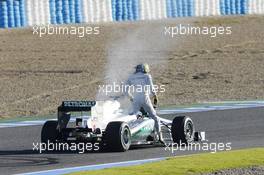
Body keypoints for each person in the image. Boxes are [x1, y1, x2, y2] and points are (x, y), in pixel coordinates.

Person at [125, 63, 164, 143]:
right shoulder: (147, 76)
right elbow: (151, 87)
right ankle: (160, 137)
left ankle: (130, 136)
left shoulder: (131, 77)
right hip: (145, 98)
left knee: (133, 118)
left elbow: (125, 90)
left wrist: (131, 98)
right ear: (144, 69)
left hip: (136, 99)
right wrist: (155, 96)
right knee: (154, 117)